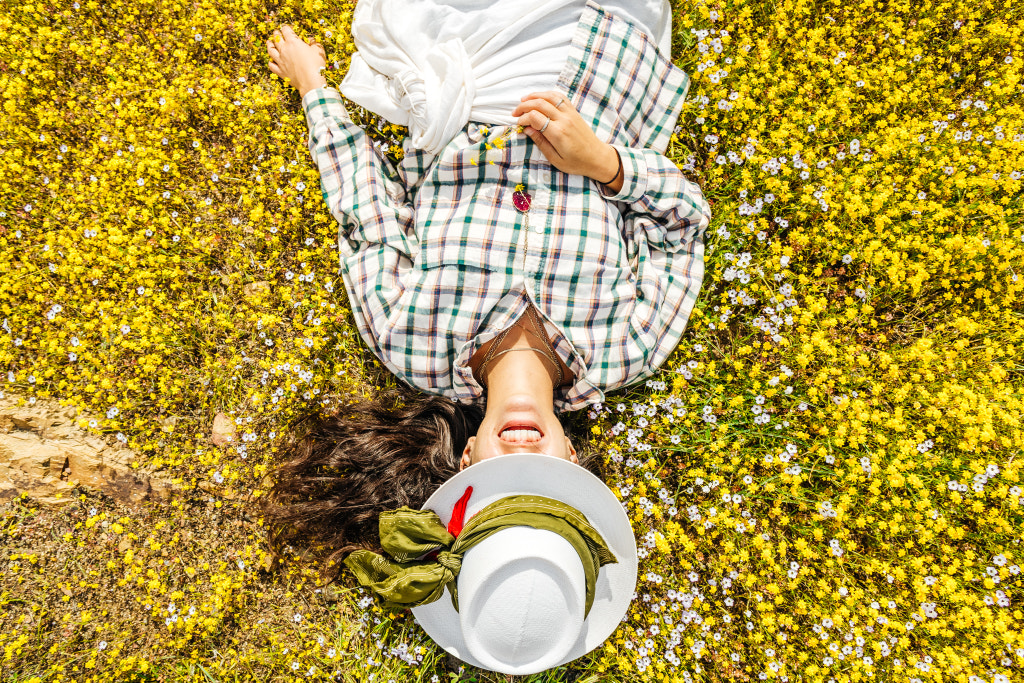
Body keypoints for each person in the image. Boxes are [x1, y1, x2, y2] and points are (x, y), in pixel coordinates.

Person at [261, 0, 710, 674]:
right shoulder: (627, 345)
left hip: (464, 46)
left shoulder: (409, 340)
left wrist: (314, 91)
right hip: (606, 50)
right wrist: (605, 163)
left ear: (466, 460)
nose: (522, 451)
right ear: (577, 465)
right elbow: (683, 226)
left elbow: (368, 211)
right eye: (545, 482)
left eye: (502, 481)